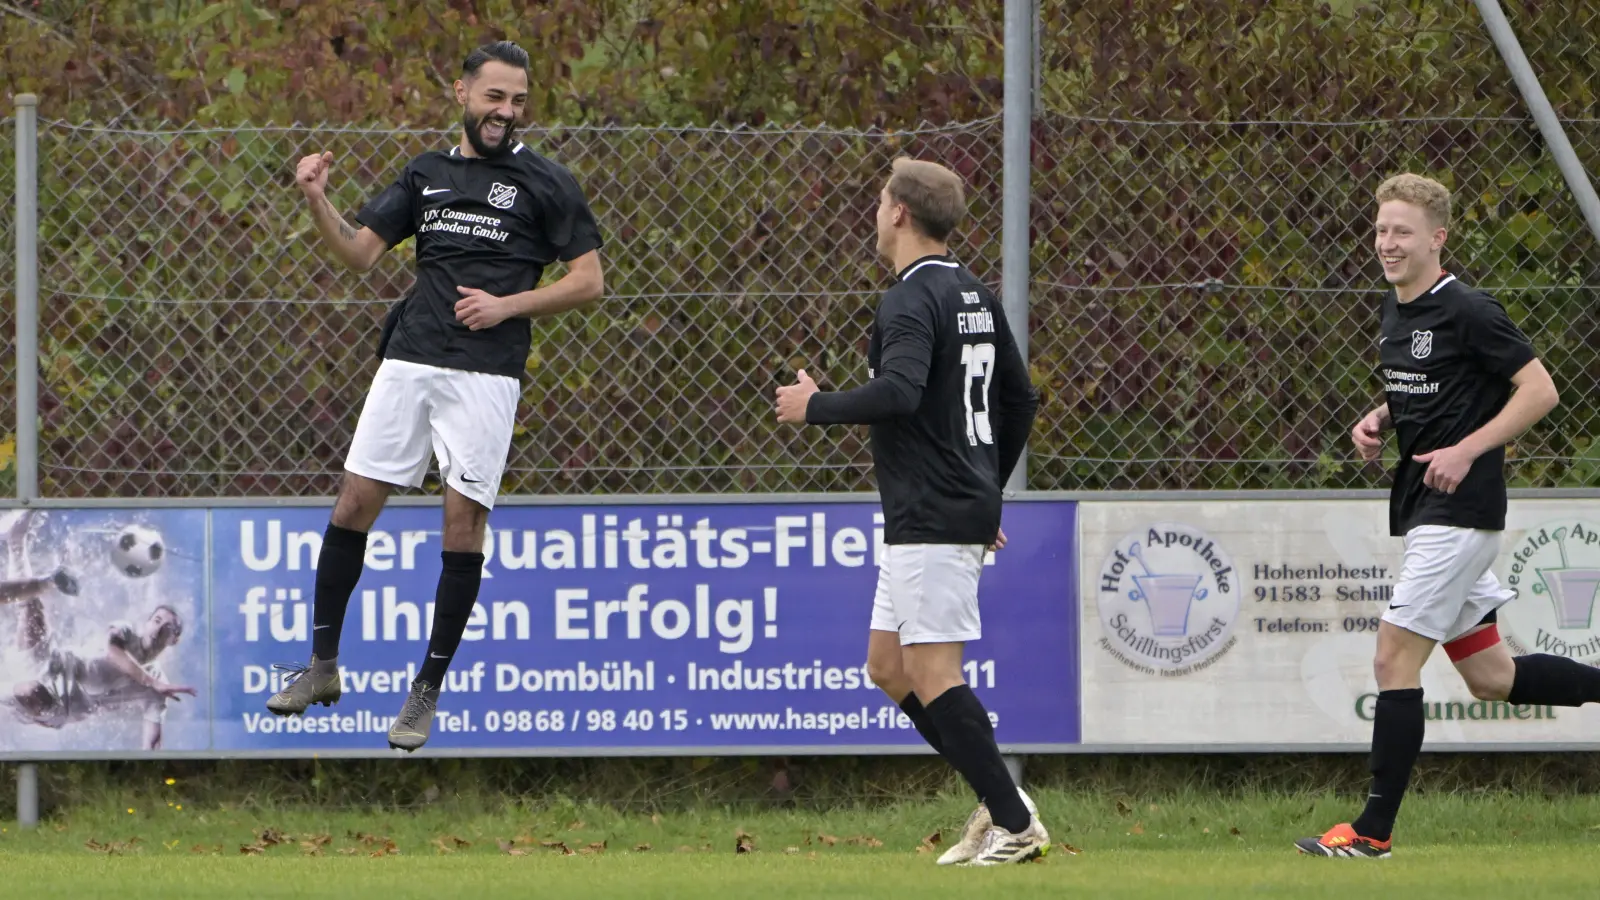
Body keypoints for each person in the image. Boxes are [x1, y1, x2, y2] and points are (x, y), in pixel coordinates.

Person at [264, 40, 605, 752]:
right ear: (462, 92)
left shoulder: (546, 182)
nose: (505, 113)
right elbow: (359, 253)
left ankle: (425, 692)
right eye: (493, 98)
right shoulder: (426, 173)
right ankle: (322, 666)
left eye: (516, 102)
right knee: (353, 505)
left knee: (461, 528)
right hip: (409, 362)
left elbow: (589, 281)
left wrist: (509, 306)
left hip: (486, 376)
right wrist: (316, 197)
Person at [1297, 173, 1600, 858]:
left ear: (1438, 238)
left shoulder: (1468, 308)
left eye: (1402, 231)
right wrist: (1382, 416)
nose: (1387, 243)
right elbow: (1436, 388)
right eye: (1380, 230)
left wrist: (1466, 449)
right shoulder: (1396, 309)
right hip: (1429, 511)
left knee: (1391, 656)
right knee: (1493, 677)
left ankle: (1371, 831)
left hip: (1458, 513)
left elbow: (1540, 389)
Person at [774, 156, 1046, 866]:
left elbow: (897, 391)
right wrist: (984, 486)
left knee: (932, 671)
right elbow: (1019, 400)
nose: (874, 213)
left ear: (898, 212)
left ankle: (1016, 824)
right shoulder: (974, 295)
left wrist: (815, 407)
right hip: (937, 508)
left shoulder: (908, 300)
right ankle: (998, 801)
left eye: (878, 201)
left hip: (932, 509)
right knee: (887, 666)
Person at [2, 511, 195, 751]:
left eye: (167, 627)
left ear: (174, 639)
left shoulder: (157, 687)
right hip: (52, 661)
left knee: (29, 689)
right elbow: (114, 651)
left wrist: (151, 764)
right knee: (32, 605)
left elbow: (153, 738)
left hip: (60, 704)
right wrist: (150, 681)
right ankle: (15, 541)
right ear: (146, 622)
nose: (158, 627)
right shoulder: (125, 633)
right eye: (156, 620)